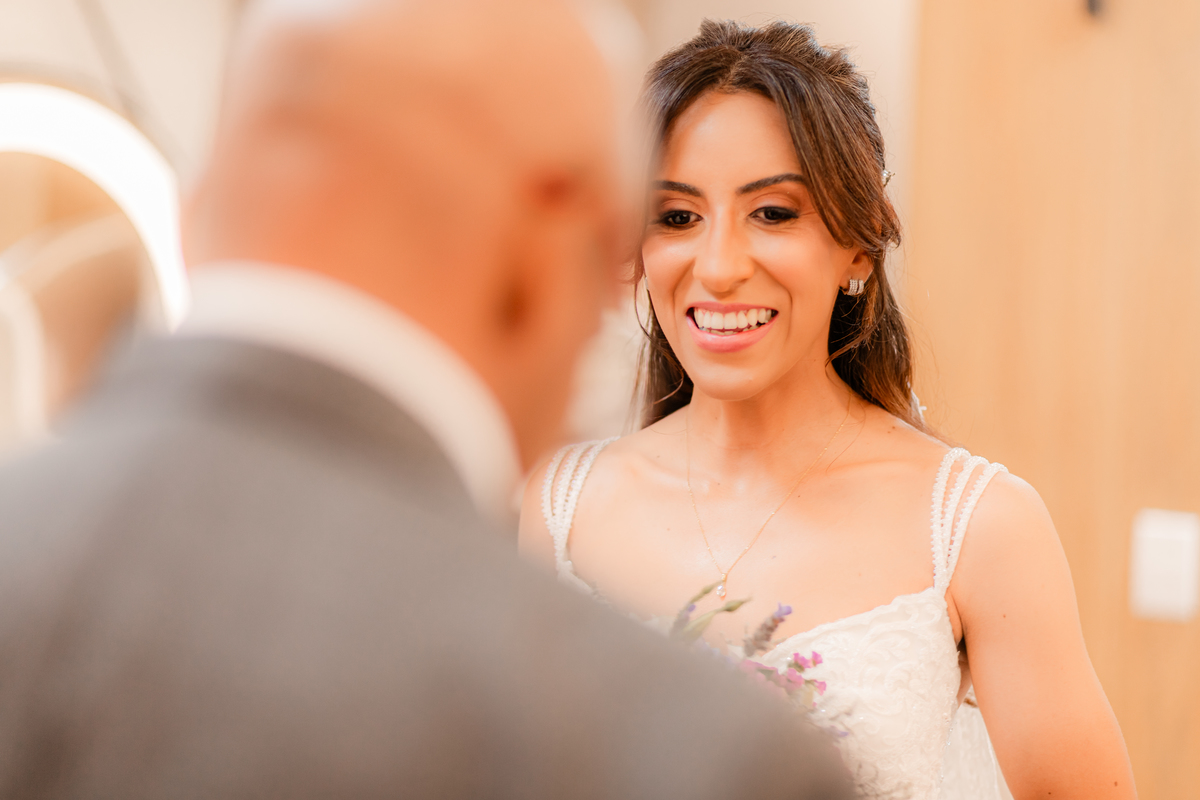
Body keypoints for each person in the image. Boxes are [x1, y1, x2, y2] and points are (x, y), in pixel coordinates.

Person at [0, 3, 854, 798]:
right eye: (659, 226)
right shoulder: (671, 751)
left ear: (194, 212)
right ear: (548, 252)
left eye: (772, 212)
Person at [521, 19, 1138, 800]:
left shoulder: (979, 527)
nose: (717, 267)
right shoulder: (554, 508)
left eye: (773, 214)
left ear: (857, 244)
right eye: (677, 217)